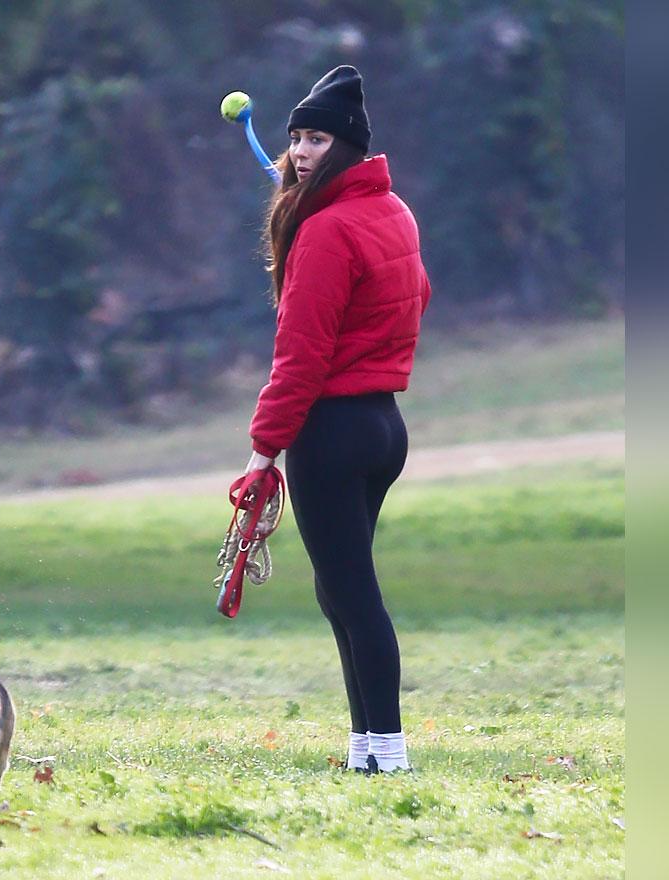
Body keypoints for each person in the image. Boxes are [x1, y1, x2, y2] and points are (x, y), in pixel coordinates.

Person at [244, 65, 432, 774]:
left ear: (349, 145)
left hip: (331, 433)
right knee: (340, 590)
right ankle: (365, 747)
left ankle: (387, 750)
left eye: (317, 138)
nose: (298, 151)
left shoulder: (325, 230)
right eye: (295, 138)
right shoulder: (395, 212)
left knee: (353, 595)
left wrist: (264, 450)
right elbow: (421, 296)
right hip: (383, 429)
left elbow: (299, 354)